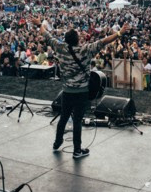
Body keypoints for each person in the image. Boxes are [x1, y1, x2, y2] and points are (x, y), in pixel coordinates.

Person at [32, 16, 130, 158]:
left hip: (66, 91)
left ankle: (57, 142)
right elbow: (104, 41)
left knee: (63, 118)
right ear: (78, 39)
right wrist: (120, 32)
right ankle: (77, 150)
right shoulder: (86, 50)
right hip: (81, 92)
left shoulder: (59, 47)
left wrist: (39, 24)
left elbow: (46, 35)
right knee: (77, 121)